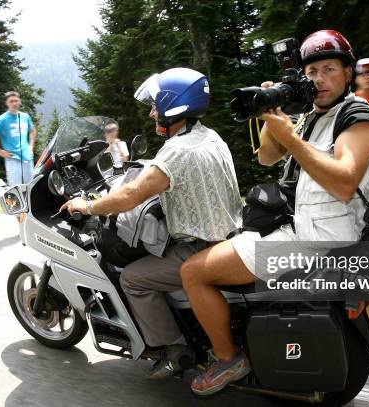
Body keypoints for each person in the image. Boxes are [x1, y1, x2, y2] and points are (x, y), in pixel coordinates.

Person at [179, 30, 369, 396]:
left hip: (316, 241)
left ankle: (228, 359)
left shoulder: (357, 118)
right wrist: (273, 113)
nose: (318, 79)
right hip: (305, 228)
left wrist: (291, 137)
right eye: (311, 72)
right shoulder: (313, 114)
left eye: (329, 69)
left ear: (348, 73)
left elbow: (342, 182)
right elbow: (267, 156)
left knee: (193, 272)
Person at [59, 68, 243, 379]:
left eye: (156, 105)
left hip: (199, 248)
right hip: (230, 235)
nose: (151, 112)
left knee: (132, 278)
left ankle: (173, 349)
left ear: (174, 106)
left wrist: (88, 205)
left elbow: (130, 196)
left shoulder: (176, 151)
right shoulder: (210, 136)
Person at [0, 91, 36, 186]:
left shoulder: (25, 117)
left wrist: (31, 147)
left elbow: (33, 131)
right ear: (7, 103)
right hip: (13, 159)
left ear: (20, 101)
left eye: (16, 101)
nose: (14, 103)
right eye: (11, 101)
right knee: (16, 190)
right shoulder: (2, 119)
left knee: (30, 189)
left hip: (27, 158)